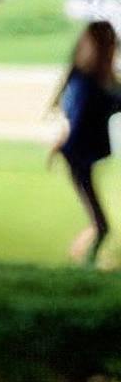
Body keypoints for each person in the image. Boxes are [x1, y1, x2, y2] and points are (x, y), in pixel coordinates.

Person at [45, 19, 121, 268]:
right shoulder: (89, 81)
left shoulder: (95, 81)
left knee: (100, 222)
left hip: (82, 153)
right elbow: (78, 117)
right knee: (101, 223)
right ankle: (85, 261)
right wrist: (62, 143)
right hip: (80, 154)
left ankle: (85, 259)